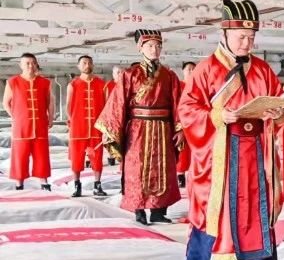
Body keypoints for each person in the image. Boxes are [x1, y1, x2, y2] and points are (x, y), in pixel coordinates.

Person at [179, 0, 284, 260]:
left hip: (256, 152)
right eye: (241, 37)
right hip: (223, 153)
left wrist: (278, 112)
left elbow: (279, 102)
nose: (247, 43)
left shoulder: (262, 69)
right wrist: (217, 116)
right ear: (224, 33)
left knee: (254, 210)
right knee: (226, 212)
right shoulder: (206, 69)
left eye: (251, 37)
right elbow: (187, 110)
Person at [97, 30, 184, 225]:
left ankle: (159, 211)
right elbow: (118, 103)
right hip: (138, 129)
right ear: (140, 48)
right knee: (137, 168)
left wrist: (180, 129)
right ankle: (139, 210)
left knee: (163, 168)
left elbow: (178, 103)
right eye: (150, 46)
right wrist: (111, 130)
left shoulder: (170, 76)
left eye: (158, 46)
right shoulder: (130, 74)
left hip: (163, 128)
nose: (155, 49)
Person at [3, 53, 53, 191]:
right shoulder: (13, 82)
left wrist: (51, 118)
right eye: (27, 63)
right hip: (21, 127)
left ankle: (44, 183)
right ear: (21, 65)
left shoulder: (45, 82)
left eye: (33, 63)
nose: (30, 66)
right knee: (20, 155)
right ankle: (19, 184)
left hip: (40, 125)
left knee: (42, 155)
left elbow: (50, 103)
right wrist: (15, 117)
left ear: (36, 64)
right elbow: (6, 103)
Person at [66, 54, 108, 198]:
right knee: (76, 158)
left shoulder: (101, 84)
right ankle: (77, 186)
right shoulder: (73, 85)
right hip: (78, 128)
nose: (87, 65)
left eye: (89, 62)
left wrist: (105, 126)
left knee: (97, 157)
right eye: (84, 63)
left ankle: (97, 185)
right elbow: (68, 106)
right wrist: (72, 121)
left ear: (93, 65)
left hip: (96, 128)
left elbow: (106, 106)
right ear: (78, 66)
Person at [175, 61, 196, 187]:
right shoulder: (178, 85)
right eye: (189, 69)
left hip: (195, 122)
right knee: (182, 151)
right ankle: (180, 175)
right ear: (183, 71)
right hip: (182, 122)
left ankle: (193, 176)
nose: (191, 71)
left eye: (194, 69)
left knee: (195, 151)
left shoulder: (198, 85)